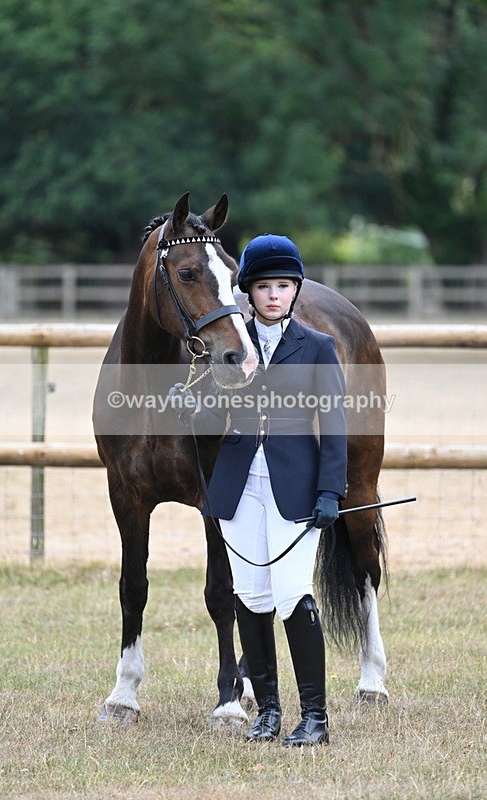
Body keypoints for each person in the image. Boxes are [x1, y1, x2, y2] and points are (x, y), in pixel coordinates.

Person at [171, 234, 348, 746]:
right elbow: (209, 419)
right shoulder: (230, 344)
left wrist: (331, 491)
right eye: (264, 286)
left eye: (284, 286)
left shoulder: (317, 347)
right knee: (250, 595)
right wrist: (192, 405)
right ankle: (267, 712)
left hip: (296, 487)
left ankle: (314, 716)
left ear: (295, 290)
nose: (274, 295)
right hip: (238, 484)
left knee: (293, 594)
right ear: (246, 291)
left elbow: (333, 423)